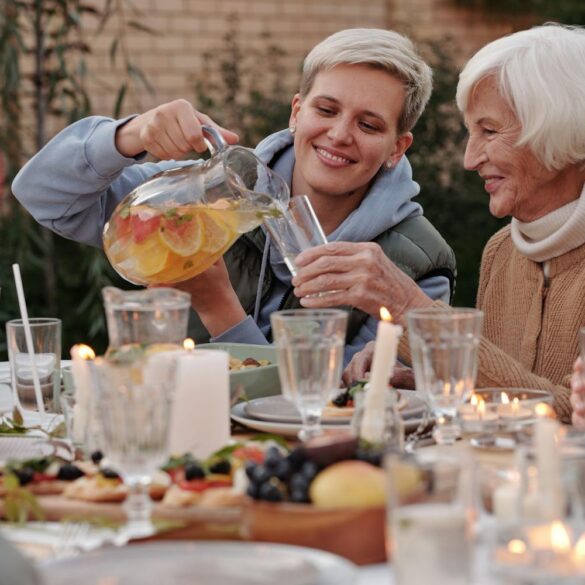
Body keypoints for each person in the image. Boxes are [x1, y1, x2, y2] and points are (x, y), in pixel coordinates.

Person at [12, 28, 455, 367]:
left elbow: (335, 406)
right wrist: (130, 135)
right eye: (326, 110)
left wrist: (218, 307)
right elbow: (43, 195)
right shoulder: (206, 195)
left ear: (398, 147)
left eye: (370, 125)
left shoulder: (419, 269)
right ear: (297, 112)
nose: (339, 135)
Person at [292, 23, 585, 422]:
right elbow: (504, 388)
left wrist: (408, 307)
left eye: (489, 131)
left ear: (560, 129)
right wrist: (427, 377)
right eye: (471, 132)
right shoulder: (504, 250)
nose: (470, 159)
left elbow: (570, 417)